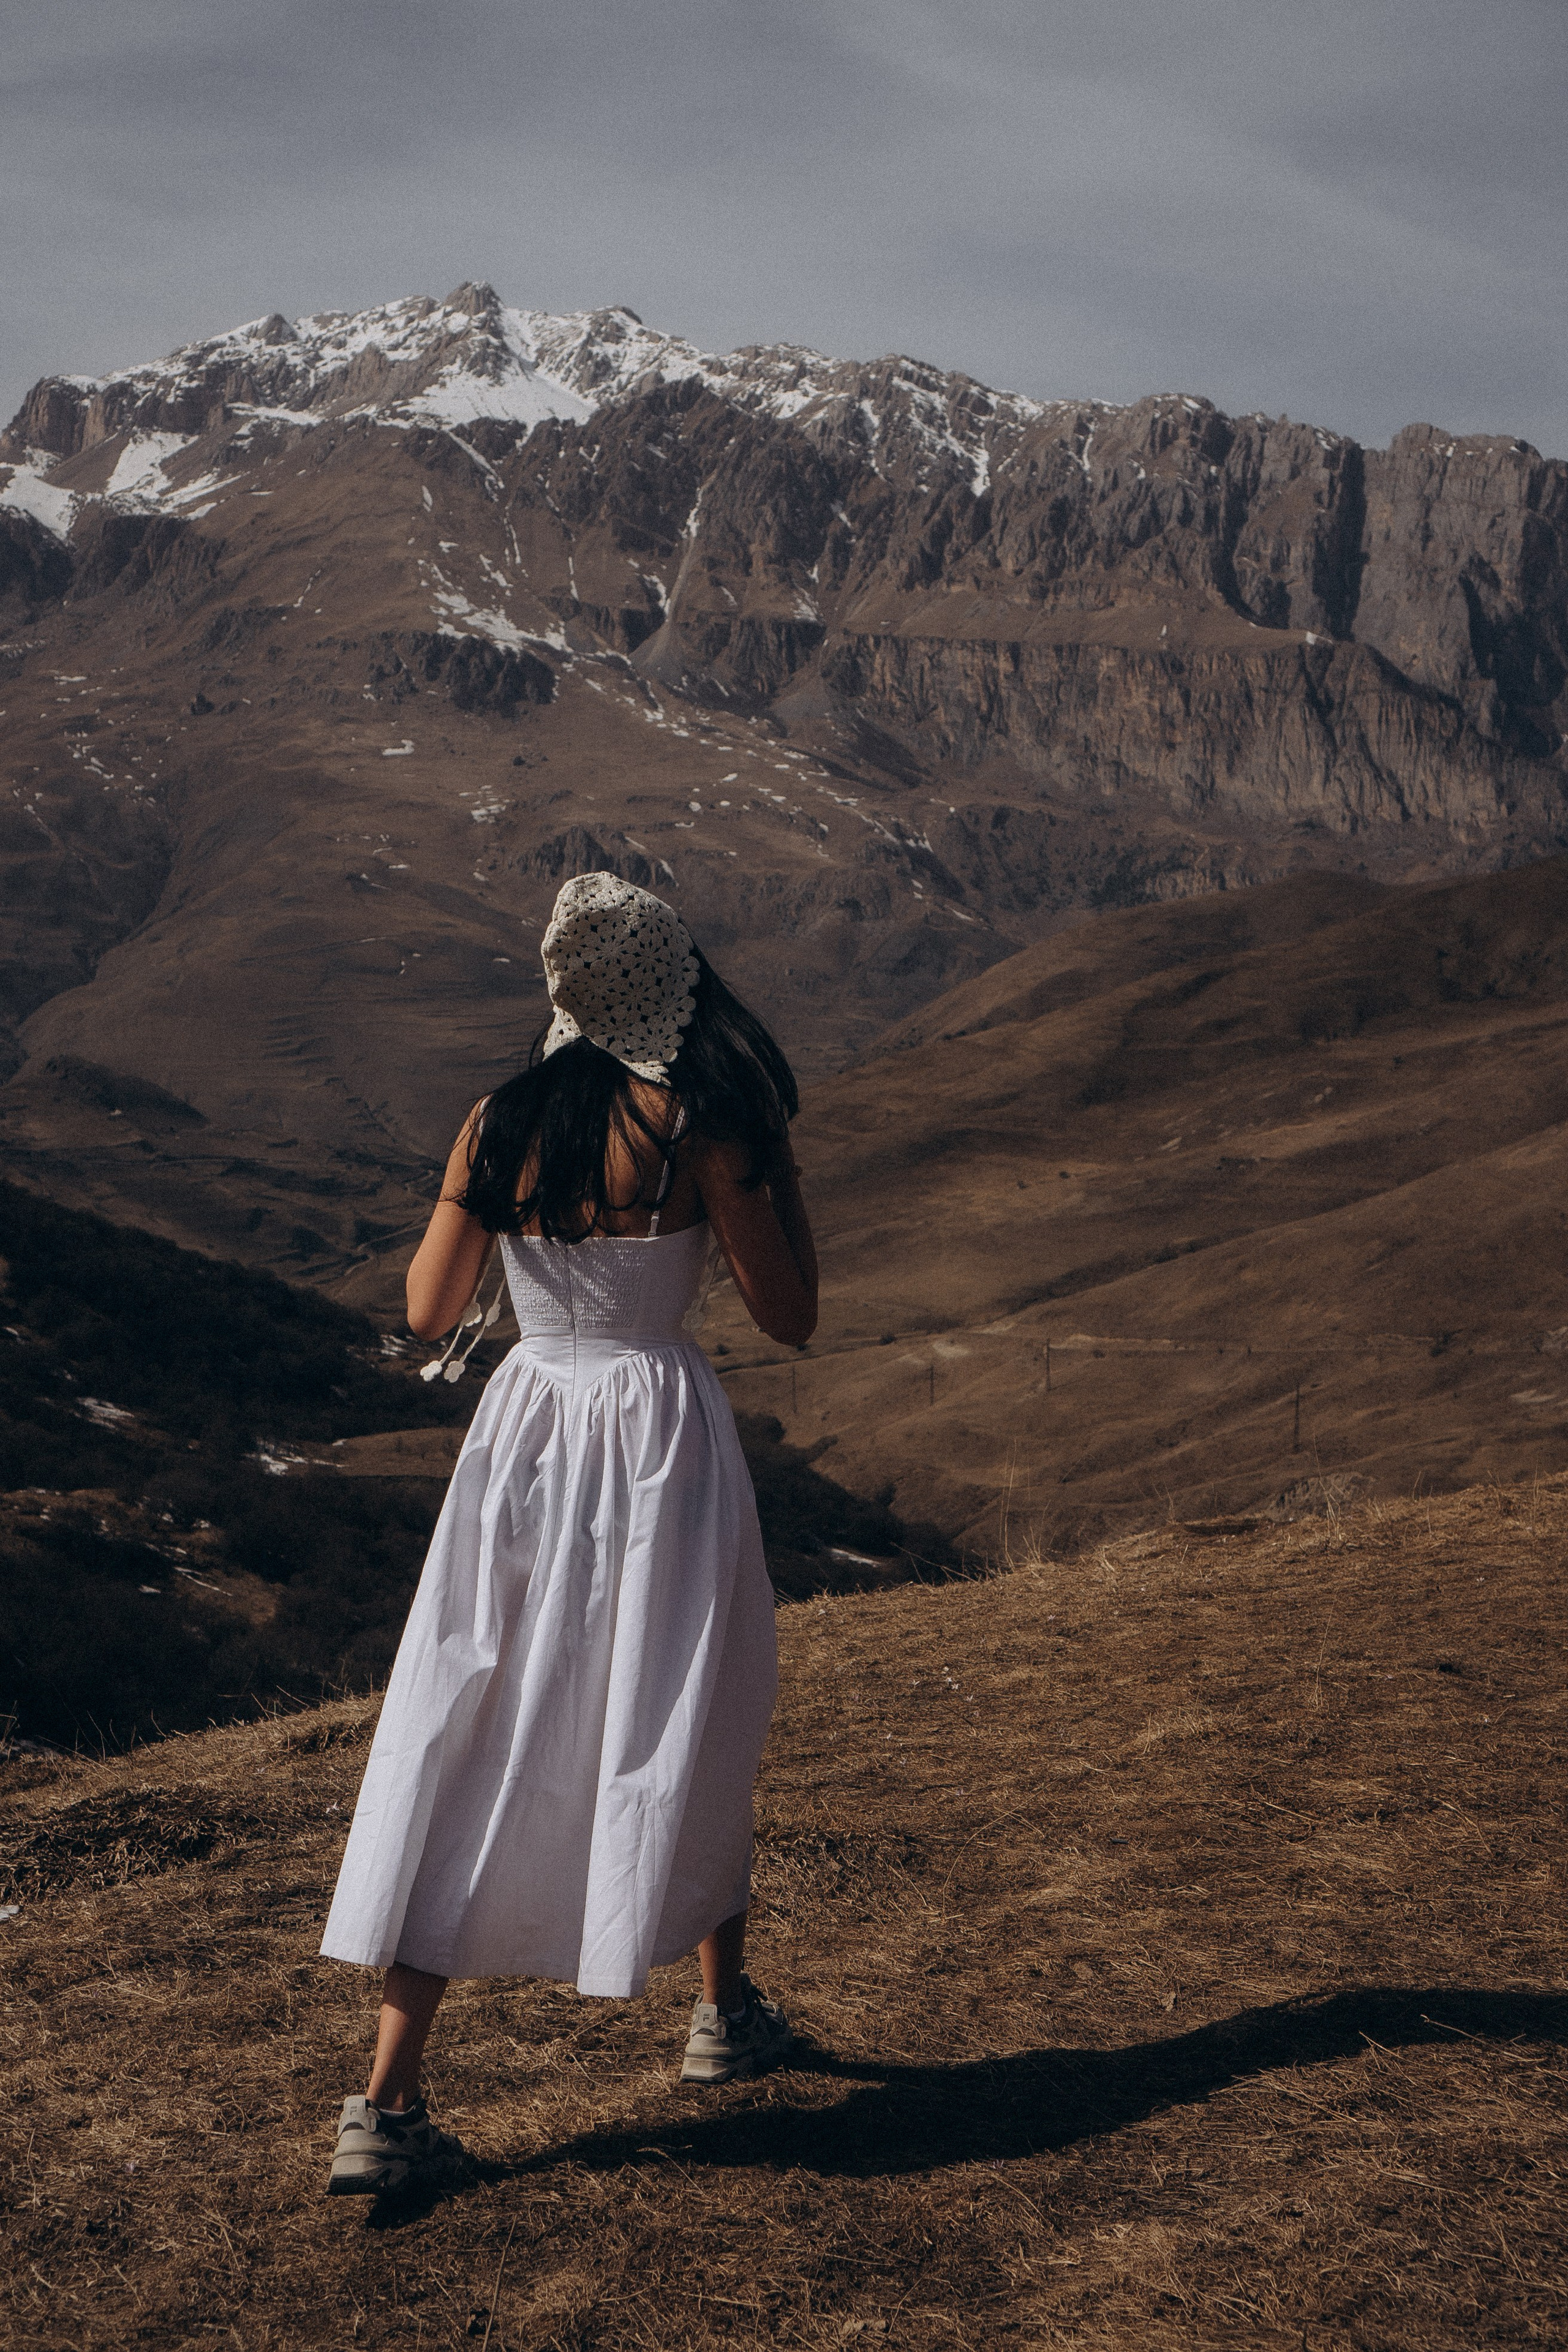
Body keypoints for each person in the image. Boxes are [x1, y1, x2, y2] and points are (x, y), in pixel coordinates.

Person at [320, 872, 818, 2197]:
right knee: (687, 1705)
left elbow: (429, 1312)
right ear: (668, 984)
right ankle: (721, 2015)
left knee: (473, 1724)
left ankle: (385, 2098)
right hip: (656, 1430)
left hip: (526, 1428)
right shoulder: (698, 1123)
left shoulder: (498, 1120)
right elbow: (789, 1313)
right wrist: (773, 1175)